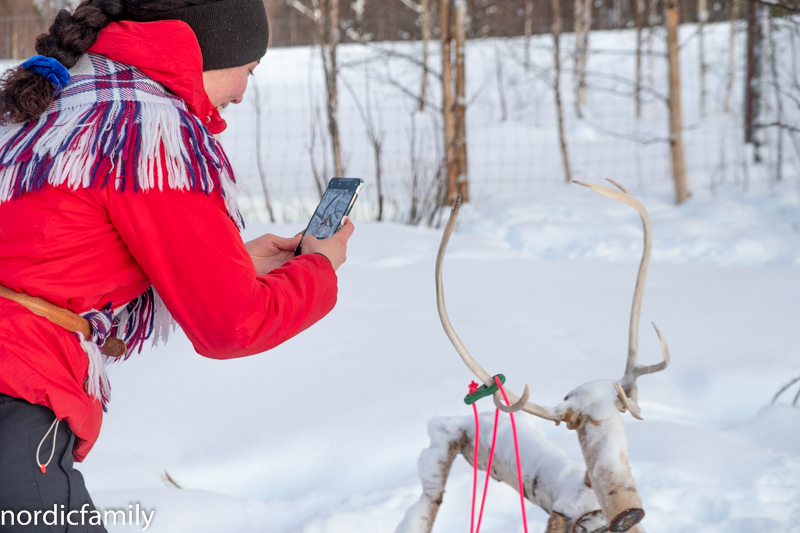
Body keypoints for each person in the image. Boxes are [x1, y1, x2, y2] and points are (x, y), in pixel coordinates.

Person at [0, 0, 353, 530]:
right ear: (211, 50)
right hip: (18, 398)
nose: (243, 92)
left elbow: (55, 252)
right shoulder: (148, 131)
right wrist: (318, 270)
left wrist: (233, 263)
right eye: (249, 71)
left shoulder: (59, 98)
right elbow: (230, 325)